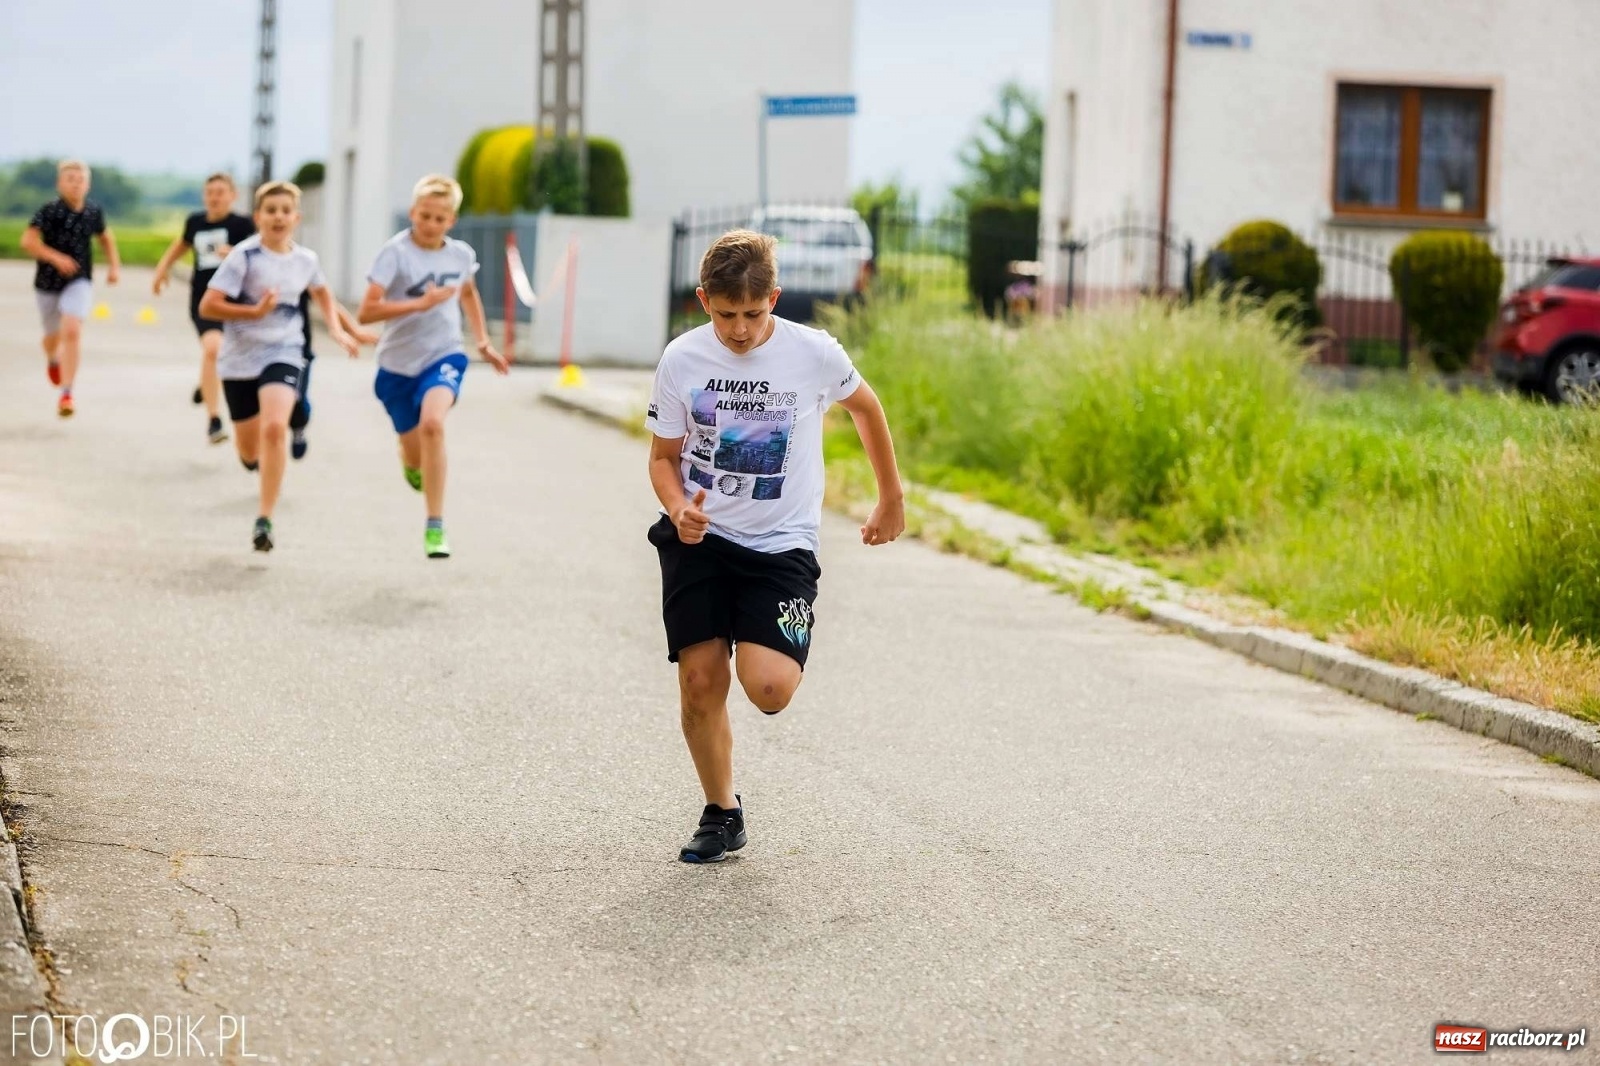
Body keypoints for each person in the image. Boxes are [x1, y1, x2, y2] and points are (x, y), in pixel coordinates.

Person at [644, 229, 906, 863]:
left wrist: (891, 497)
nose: (738, 329)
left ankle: (750, 628)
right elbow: (662, 458)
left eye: (753, 314)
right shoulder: (681, 360)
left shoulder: (812, 353)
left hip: (781, 543)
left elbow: (866, 409)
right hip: (700, 539)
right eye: (725, 314)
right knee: (701, 679)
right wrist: (678, 507)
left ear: (775, 299)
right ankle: (721, 811)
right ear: (703, 299)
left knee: (769, 690)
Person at [197, 180, 358, 552]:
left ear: (296, 218)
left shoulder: (306, 260)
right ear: (258, 217)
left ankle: (264, 518)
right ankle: (264, 453)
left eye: (286, 211)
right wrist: (253, 312)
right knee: (250, 452)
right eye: (271, 211)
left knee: (274, 429)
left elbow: (322, 294)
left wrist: (337, 329)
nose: (279, 217)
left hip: (283, 351)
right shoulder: (243, 256)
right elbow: (208, 306)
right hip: (239, 360)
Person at [357, 174, 507, 559]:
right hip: (395, 367)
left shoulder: (459, 255)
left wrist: (483, 341)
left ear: (451, 221)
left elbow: (468, 293)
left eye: (440, 219)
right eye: (425, 216)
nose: (431, 224)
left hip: (444, 354)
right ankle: (410, 462)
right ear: (413, 213)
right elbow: (367, 310)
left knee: (433, 424)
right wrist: (417, 305)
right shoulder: (395, 253)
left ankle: (435, 526)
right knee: (414, 452)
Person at [154, 172, 256, 443]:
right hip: (205, 302)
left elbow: (260, 257)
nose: (214, 197)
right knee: (213, 349)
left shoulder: (243, 225)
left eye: (221, 192)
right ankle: (214, 420)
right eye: (210, 192)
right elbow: (180, 245)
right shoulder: (195, 222)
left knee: (227, 357)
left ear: (233, 196)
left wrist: (234, 254)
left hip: (237, 302)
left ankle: (206, 383)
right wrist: (162, 269)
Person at [19, 160, 121, 418]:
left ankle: (67, 392)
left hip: (79, 279)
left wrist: (114, 267)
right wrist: (55, 258)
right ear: (59, 183)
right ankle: (53, 358)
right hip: (48, 283)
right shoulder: (49, 211)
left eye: (80, 179)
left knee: (72, 331)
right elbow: (27, 241)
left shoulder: (93, 212)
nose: (75, 184)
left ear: (87, 184)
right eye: (70, 179)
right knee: (52, 337)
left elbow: (106, 238)